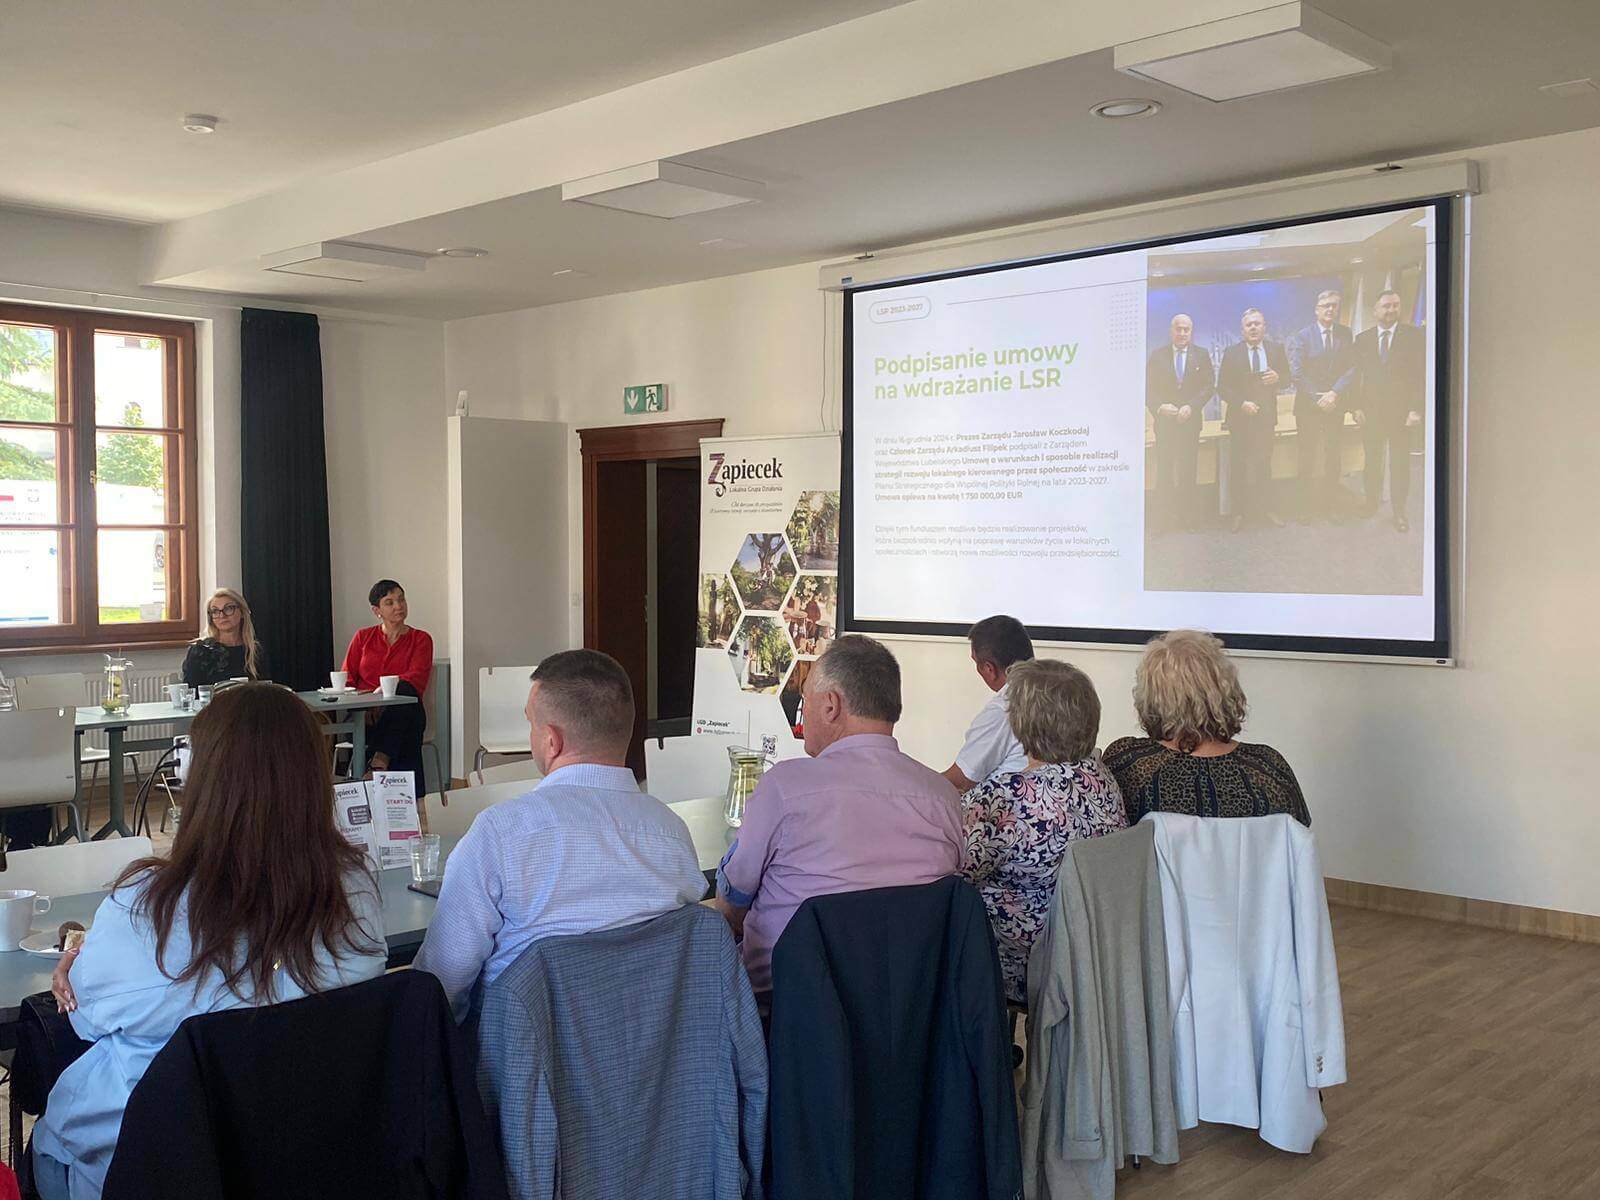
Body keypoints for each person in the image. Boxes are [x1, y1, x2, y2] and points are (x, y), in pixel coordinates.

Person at [32, 684, 387, 1200]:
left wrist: (78, 956)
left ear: (202, 780)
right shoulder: (356, 893)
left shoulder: (146, 908)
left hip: (145, 1166)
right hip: (302, 1156)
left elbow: (84, 1019)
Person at [414, 650, 705, 1021]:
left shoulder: (500, 835)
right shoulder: (672, 832)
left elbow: (440, 986)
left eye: (531, 724)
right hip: (654, 1048)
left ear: (551, 741)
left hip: (523, 1053)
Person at [715, 635, 962, 996]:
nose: (803, 714)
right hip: (910, 1008)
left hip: (788, 1007)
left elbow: (732, 904)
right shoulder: (945, 798)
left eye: (805, 701)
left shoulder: (784, 787)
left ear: (831, 705)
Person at [959, 659, 1126, 1003]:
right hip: (1091, 954)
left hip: (1021, 962)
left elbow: (951, 871)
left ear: (1022, 723)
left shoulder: (1003, 798)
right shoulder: (1104, 779)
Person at [1103, 629, 1311, 826]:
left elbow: (1103, 840)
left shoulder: (1126, 763)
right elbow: (1296, 842)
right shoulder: (1268, 769)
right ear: (1225, 688)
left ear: (1150, 697)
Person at [339, 579, 433, 792]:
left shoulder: (421, 639)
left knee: (404, 691)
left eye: (401, 600)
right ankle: (410, 800)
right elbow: (347, 680)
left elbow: (417, 678)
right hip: (365, 717)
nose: (398, 606)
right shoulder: (363, 637)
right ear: (377, 610)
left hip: (402, 709)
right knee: (407, 730)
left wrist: (385, 697)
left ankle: (378, 763)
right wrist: (368, 704)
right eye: (389, 602)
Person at [1352, 289, 1425, 532]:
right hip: (1371, 413)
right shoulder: (1363, 339)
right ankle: (1370, 503)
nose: (1391, 310)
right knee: (1372, 461)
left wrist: (1416, 410)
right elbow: (1356, 377)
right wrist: (1356, 407)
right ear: (1375, 311)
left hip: (1402, 414)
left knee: (1400, 464)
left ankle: (1399, 511)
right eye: (1386, 306)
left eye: (1395, 305)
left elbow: (1421, 376)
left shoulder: (1414, 336)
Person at [1217, 308, 1290, 532]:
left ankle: (1266, 509)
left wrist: (1279, 377)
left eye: (1257, 323)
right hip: (1240, 419)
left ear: (1264, 327)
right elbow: (1222, 387)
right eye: (1249, 324)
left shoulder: (1276, 350)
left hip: (1265, 420)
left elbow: (1288, 379)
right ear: (1243, 330)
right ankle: (1238, 513)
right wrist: (1241, 403)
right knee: (1238, 467)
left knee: (1264, 465)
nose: (1253, 328)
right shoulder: (1232, 353)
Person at [1287, 290, 1358, 523]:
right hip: (1309, 406)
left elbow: (1352, 368)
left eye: (1334, 305)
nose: (1330, 309)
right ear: (1316, 310)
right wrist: (1319, 398)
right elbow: (1297, 372)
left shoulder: (1345, 334)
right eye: (1326, 305)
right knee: (1306, 456)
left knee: (1333, 456)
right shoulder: (1302, 336)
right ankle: (1304, 507)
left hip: (1335, 404)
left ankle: (1331, 505)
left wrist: (1334, 393)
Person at [941, 614, 1033, 793]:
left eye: (976, 663)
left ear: (989, 669)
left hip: (1016, 806)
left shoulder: (1004, 709)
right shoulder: (1060, 689)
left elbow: (960, 782)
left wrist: (910, 785)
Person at [1145, 314, 1216, 531]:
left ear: (1191, 332)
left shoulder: (1201, 355)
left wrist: (1191, 407)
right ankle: (1162, 521)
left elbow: (1208, 386)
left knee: (1188, 471)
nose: (1183, 333)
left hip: (1189, 424)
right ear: (1171, 331)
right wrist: (1160, 407)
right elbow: (1147, 389)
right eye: (1179, 329)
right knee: (1164, 471)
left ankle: (1188, 519)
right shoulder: (1157, 356)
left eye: (1186, 329)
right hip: (1165, 425)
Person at [180, 587, 268, 686]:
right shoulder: (200, 651)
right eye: (215, 611)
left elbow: (267, 689)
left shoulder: (255, 650)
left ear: (242, 612)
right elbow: (191, 691)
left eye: (228, 608)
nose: (222, 616)